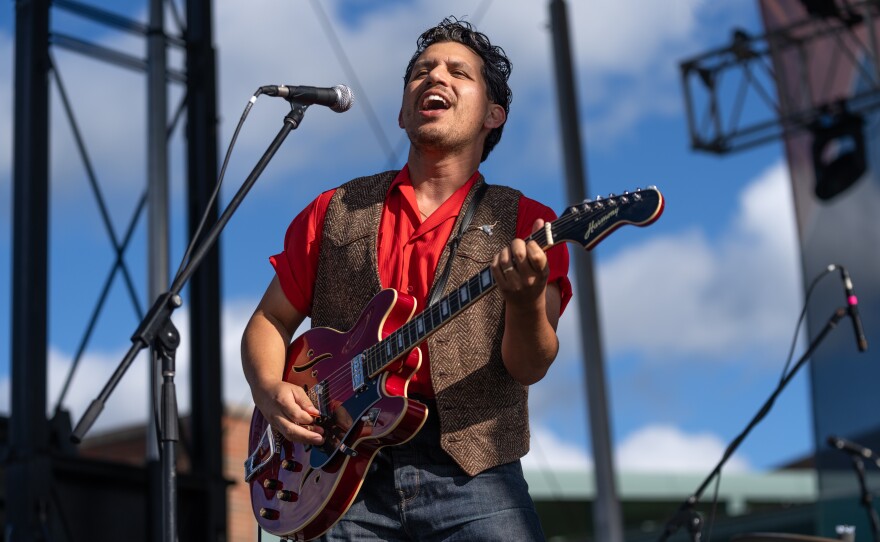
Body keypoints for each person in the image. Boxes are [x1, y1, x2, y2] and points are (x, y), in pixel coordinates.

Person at [241, 16, 572, 541]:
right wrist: (267, 389)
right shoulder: (335, 209)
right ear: (401, 111)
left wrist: (528, 300)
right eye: (421, 70)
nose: (435, 77)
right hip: (338, 473)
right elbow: (269, 319)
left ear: (493, 114)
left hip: (474, 474)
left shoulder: (527, 222)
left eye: (458, 72)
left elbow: (529, 365)